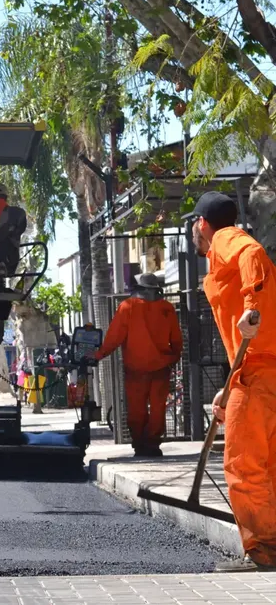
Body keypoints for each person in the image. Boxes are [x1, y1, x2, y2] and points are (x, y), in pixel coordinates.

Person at [187, 191, 276, 572]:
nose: (193, 228)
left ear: (202, 224)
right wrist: (229, 384)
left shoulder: (226, 238)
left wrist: (251, 308)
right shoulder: (219, 254)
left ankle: (264, 550)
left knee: (242, 464)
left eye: (194, 222)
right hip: (256, 368)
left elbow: (253, 254)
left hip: (258, 369)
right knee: (268, 464)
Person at [89, 272, 183, 457]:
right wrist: (173, 358)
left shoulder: (127, 307)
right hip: (161, 368)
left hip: (135, 369)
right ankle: (153, 444)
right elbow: (176, 339)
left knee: (136, 409)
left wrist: (98, 355)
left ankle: (139, 444)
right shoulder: (167, 308)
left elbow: (114, 338)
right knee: (158, 408)